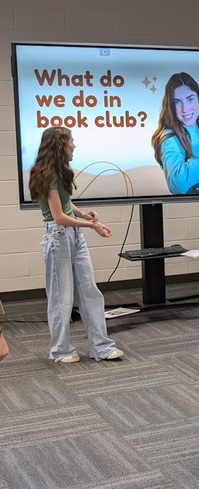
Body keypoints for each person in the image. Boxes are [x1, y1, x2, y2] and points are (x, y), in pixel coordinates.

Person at [28, 126, 123, 363]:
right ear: (61, 144)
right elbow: (58, 216)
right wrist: (92, 226)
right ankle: (61, 350)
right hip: (58, 237)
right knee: (62, 297)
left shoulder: (61, 172)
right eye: (72, 141)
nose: (74, 146)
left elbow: (67, 205)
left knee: (90, 290)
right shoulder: (46, 174)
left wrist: (84, 215)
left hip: (73, 235)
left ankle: (101, 347)